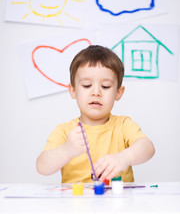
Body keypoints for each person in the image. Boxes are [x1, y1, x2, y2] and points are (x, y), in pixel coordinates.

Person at [36, 45, 155, 183]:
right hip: (75, 203)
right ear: (73, 90)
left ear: (118, 92)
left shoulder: (123, 125)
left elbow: (148, 148)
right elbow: (42, 167)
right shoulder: (65, 131)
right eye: (87, 85)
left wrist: (124, 157)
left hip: (119, 203)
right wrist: (66, 150)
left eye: (105, 86)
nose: (96, 92)